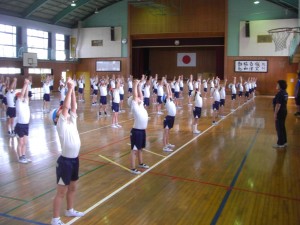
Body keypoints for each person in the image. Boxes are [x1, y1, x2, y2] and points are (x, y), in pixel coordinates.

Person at [50, 77, 84, 225]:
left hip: (75, 160)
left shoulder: (71, 121)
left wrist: (74, 89)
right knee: (61, 192)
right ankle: (55, 219)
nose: (65, 111)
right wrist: (70, 88)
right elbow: (66, 107)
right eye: (61, 112)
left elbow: (73, 108)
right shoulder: (61, 124)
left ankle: (69, 210)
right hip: (65, 162)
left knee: (73, 187)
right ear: (57, 118)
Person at [129, 79, 150, 175]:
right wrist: (135, 84)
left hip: (142, 131)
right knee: (134, 150)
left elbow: (140, 95)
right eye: (137, 98)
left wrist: (139, 86)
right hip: (136, 131)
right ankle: (133, 168)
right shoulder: (134, 106)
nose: (139, 98)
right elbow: (135, 95)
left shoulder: (140, 105)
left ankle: (140, 163)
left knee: (140, 148)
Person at [15, 78, 31, 163]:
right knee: (20, 142)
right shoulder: (18, 103)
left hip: (26, 125)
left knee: (25, 142)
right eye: (19, 96)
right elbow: (22, 94)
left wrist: (28, 85)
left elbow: (26, 95)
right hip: (20, 125)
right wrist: (25, 84)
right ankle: (20, 157)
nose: (22, 96)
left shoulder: (25, 103)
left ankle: (24, 156)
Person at [273, 80, 288, 148]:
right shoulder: (285, 93)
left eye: (277, 84)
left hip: (280, 112)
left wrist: (275, 114)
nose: (276, 85)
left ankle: (280, 143)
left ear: (280, 85)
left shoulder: (280, 94)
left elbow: (278, 105)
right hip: (284, 111)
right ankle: (284, 142)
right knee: (282, 127)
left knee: (279, 127)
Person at [162, 83, 176, 152]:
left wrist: (169, 86)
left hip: (172, 118)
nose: (169, 96)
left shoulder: (170, 100)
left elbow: (170, 93)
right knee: (165, 132)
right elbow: (168, 94)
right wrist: (167, 86)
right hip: (168, 118)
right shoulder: (167, 102)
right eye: (167, 96)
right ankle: (164, 147)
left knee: (168, 132)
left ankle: (167, 143)